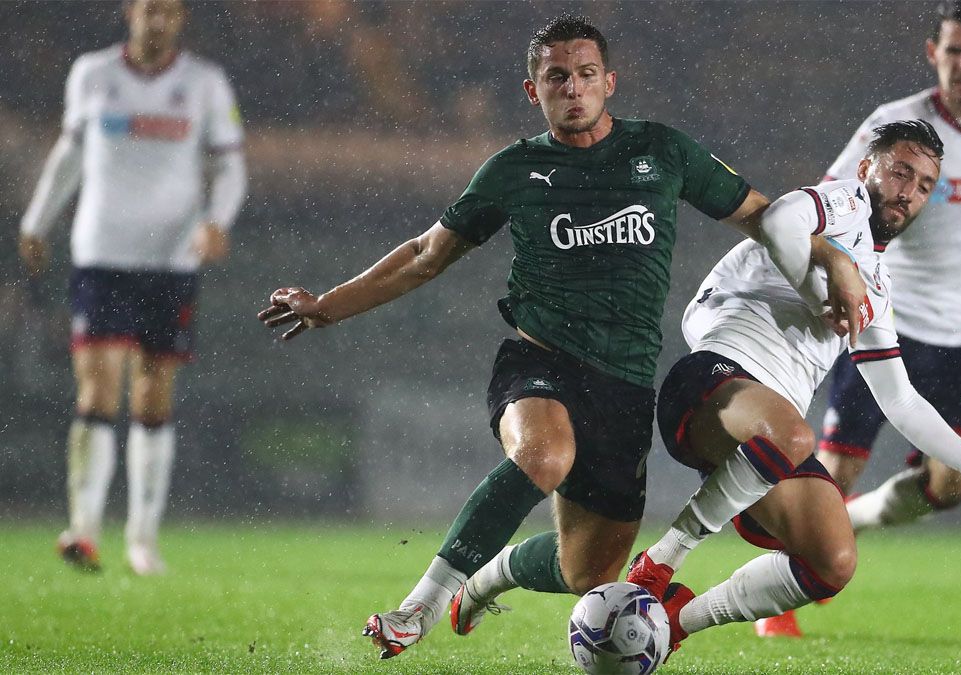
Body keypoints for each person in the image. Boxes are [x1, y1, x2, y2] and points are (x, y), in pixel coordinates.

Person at [258, 14, 866, 661]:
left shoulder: (662, 152)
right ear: (533, 90)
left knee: (590, 572)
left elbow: (761, 214)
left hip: (625, 385)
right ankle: (419, 605)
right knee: (544, 455)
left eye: (583, 75)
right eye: (556, 77)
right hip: (540, 360)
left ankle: (492, 573)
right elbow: (425, 255)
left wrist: (830, 258)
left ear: (608, 82)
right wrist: (328, 304)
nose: (571, 88)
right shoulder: (514, 170)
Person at [625, 120, 961, 655]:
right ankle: (660, 561)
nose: (908, 191)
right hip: (714, 380)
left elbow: (901, 399)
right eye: (900, 172)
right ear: (868, 169)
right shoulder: (844, 204)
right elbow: (777, 221)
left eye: (924, 185)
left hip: (765, 438)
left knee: (833, 560)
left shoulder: (878, 290)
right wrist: (834, 265)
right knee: (796, 435)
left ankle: (676, 623)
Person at [18, 0, 247, 575]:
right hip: (102, 253)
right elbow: (70, 153)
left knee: (151, 397)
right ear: (130, 12)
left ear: (181, 18)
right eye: (149, 9)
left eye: (168, 11)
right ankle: (84, 529)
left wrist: (217, 220)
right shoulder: (92, 74)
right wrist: (37, 221)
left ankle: (142, 540)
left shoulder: (204, 83)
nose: (158, 20)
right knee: (97, 391)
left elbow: (230, 166)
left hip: (170, 259)